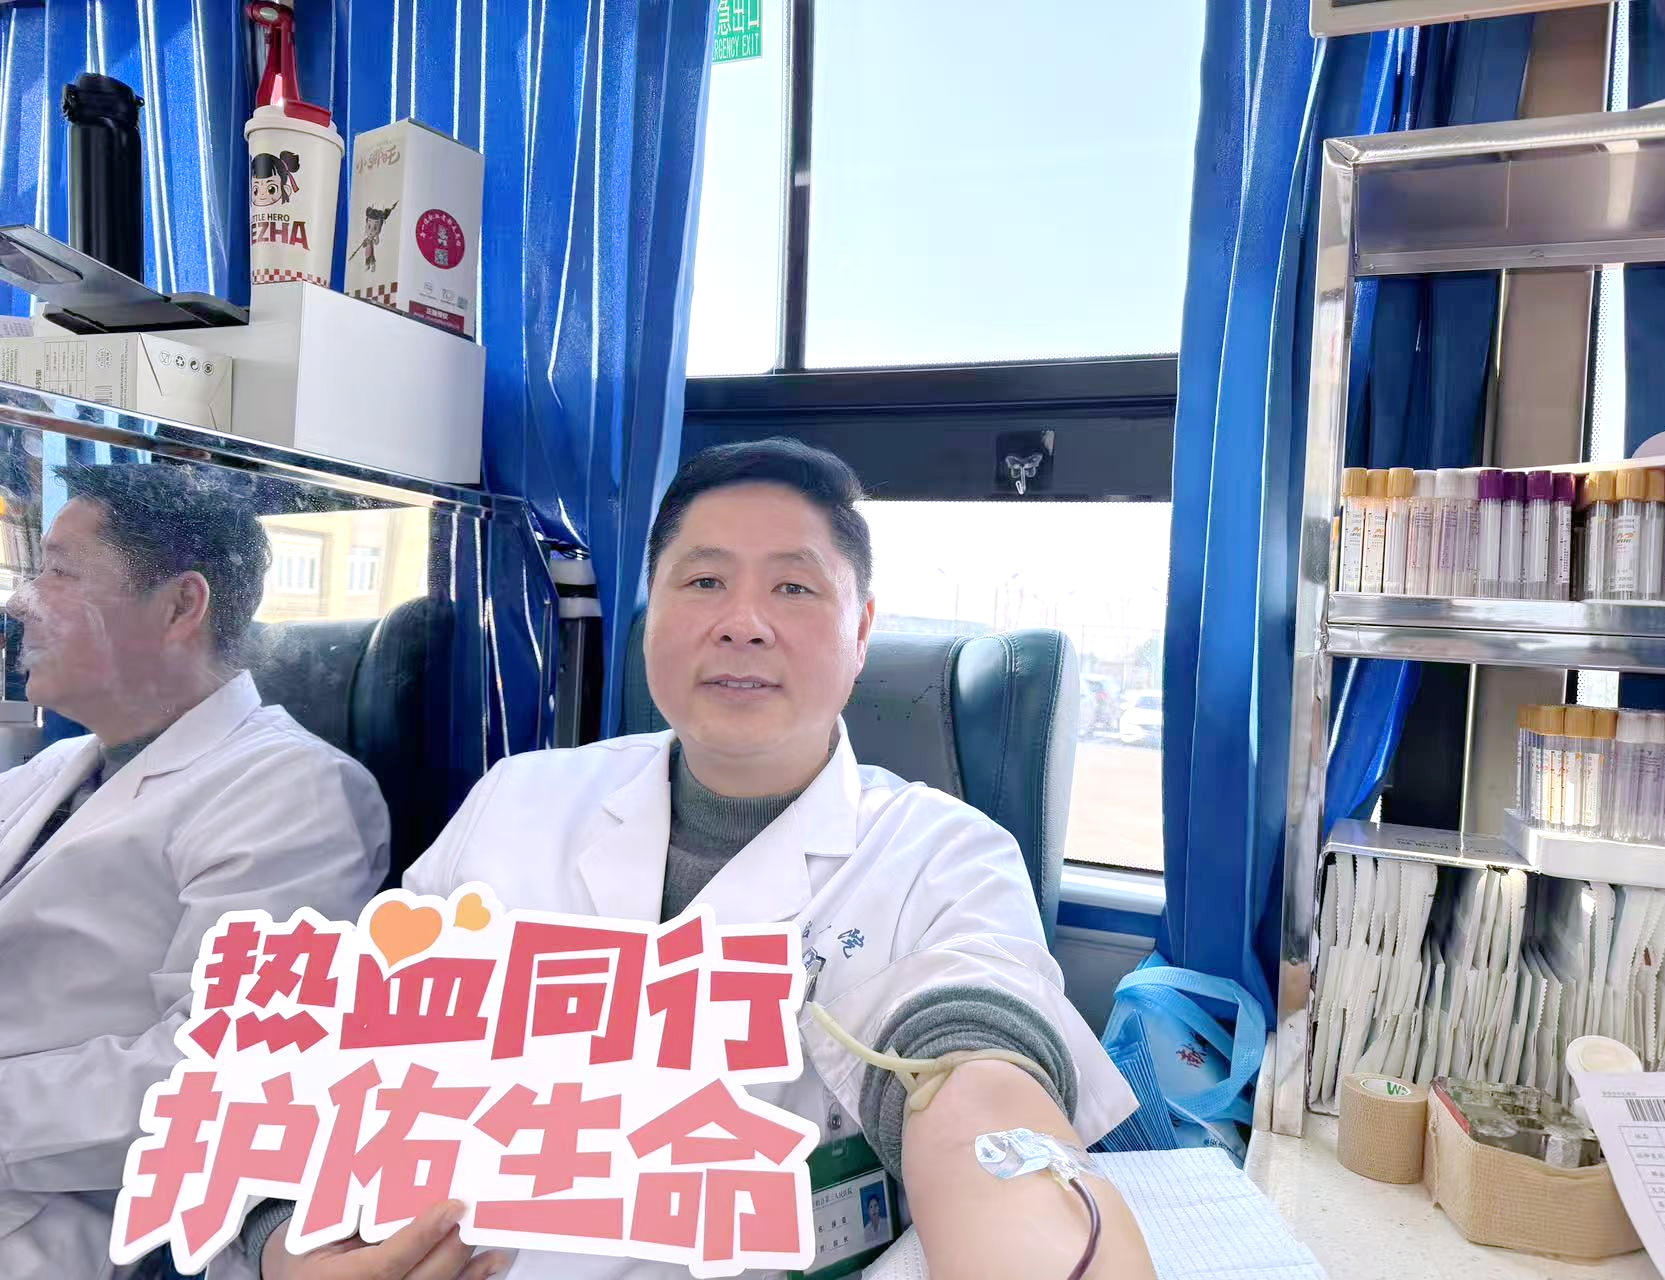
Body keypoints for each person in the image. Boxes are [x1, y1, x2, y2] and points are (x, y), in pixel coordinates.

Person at [249, 439, 1154, 1280]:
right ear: (651, 618)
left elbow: (974, 1081)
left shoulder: (942, 854)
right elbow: (339, 1053)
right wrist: (284, 1244)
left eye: (794, 588)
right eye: (704, 580)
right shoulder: (517, 801)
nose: (742, 623)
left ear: (861, 631)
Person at [0, 463, 390, 1279]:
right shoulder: (53, 770)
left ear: (181, 606)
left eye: (61, 573)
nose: (20, 604)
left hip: (53, 1213)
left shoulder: (293, 793)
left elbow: (222, 1072)